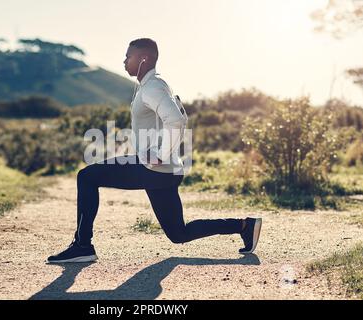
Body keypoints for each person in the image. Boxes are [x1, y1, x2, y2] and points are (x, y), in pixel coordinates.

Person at [47, 38, 262, 263]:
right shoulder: (155, 86)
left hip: (153, 168)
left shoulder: (153, 88)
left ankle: (82, 246)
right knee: (179, 233)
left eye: (128, 57)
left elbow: (177, 121)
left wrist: (160, 154)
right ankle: (245, 226)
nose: (124, 61)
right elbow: (177, 118)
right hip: (163, 172)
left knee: (87, 176)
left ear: (143, 59)